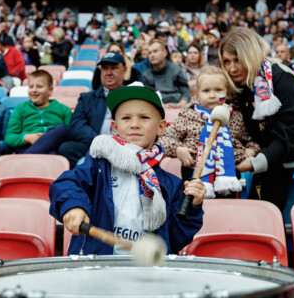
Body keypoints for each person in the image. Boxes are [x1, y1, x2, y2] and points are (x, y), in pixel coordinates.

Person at [49, 82, 206, 255]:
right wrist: (73, 206)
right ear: (115, 127)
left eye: (144, 118)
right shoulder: (98, 164)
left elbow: (176, 239)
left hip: (146, 273)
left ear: (161, 127)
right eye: (126, 118)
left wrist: (193, 206)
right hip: (97, 268)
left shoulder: (171, 185)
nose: (135, 124)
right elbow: (66, 183)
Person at [219, 28, 294, 211]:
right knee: (264, 209)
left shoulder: (282, 78)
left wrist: (253, 163)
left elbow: (289, 130)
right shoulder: (239, 84)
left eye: (238, 60)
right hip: (276, 148)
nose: (231, 68)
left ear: (252, 56)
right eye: (226, 61)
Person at [159, 65, 260, 196]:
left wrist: (250, 151)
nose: (212, 95)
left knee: (224, 213)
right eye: (206, 91)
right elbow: (164, 138)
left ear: (227, 93)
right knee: (195, 211)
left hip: (227, 177)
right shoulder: (189, 115)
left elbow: (254, 141)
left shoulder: (236, 117)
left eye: (218, 90)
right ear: (198, 94)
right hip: (193, 174)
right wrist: (178, 150)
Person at [58, 52, 127, 168]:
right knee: (67, 148)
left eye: (114, 68)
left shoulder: (133, 97)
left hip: (125, 146)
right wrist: (99, 141)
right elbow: (77, 125)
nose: (109, 73)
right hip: (94, 146)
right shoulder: (87, 98)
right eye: (105, 69)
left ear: (124, 70)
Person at [5, 70, 71, 154]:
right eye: (31, 87)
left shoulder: (64, 110)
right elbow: (9, 137)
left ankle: (27, 157)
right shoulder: (20, 109)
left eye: (39, 87)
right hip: (26, 147)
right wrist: (27, 138)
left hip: (53, 148)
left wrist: (47, 138)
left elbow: (69, 135)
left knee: (63, 129)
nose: (34, 90)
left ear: (50, 90)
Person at [142, 39, 190, 108]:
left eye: (155, 51)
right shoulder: (146, 75)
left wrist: (182, 102)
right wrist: (162, 106)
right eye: (149, 53)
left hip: (178, 104)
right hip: (158, 107)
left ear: (165, 53)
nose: (152, 55)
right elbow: (148, 97)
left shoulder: (176, 69)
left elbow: (185, 91)